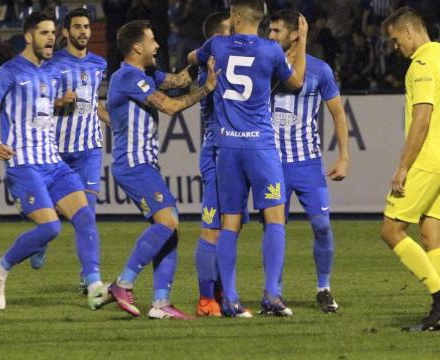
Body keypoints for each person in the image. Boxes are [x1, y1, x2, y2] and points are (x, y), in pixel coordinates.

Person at [0, 11, 110, 311]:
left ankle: (93, 286)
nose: (51, 37)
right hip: (24, 163)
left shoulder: (51, 73)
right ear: (29, 37)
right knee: (51, 229)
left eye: (53, 32)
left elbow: (41, 110)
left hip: (53, 162)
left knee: (85, 216)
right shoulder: (8, 71)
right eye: (44, 33)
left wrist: (59, 104)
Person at [188, 0, 307, 317]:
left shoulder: (217, 44)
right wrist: (302, 41)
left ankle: (229, 298)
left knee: (230, 222)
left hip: (227, 148)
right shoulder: (271, 51)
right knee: (275, 217)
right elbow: (295, 82)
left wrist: (207, 59)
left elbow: (192, 58)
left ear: (236, 17)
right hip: (261, 148)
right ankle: (272, 294)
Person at [106, 19, 217, 319]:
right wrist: (207, 89)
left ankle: (161, 303)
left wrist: (201, 56)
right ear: (137, 47)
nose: (157, 45)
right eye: (152, 40)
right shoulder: (127, 76)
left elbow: (181, 81)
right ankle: (123, 283)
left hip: (145, 164)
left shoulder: (147, 74)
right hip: (133, 164)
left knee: (171, 227)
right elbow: (169, 106)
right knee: (167, 221)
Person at [379, 7, 440, 332]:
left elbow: (423, 118)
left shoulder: (422, 65)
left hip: (427, 161)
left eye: (397, 40)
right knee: (433, 236)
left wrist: (402, 167)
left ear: (410, 32)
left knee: (391, 230)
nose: (397, 47)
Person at [268, 9, 349, 313]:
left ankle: (323, 288)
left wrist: (343, 156)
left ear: (295, 35)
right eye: (270, 30)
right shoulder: (266, 67)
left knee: (322, 226)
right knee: (274, 229)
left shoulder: (320, 71)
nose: (271, 36)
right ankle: (273, 292)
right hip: (272, 164)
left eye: (276, 31)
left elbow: (338, 113)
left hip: (307, 163)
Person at [26, 8, 110, 297]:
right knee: (52, 210)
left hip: (89, 149)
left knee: (86, 213)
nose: (83, 32)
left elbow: (92, 102)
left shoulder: (100, 63)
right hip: (57, 151)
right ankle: (42, 239)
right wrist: (59, 101)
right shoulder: (52, 64)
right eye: (77, 27)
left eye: (87, 26)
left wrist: (107, 116)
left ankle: (89, 276)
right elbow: (37, 103)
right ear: (65, 32)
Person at [193, 11, 233, 318]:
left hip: (233, 154)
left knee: (229, 230)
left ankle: (220, 293)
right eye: (229, 33)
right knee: (212, 230)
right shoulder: (209, 73)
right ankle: (206, 299)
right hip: (216, 154)